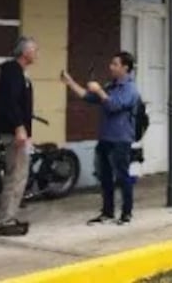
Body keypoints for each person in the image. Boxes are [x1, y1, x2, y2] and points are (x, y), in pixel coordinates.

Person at [60, 52, 140, 226]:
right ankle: (107, 212)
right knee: (105, 177)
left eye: (115, 64)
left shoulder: (130, 88)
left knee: (122, 176)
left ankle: (126, 213)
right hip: (105, 138)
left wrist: (99, 90)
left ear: (125, 67)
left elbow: (113, 106)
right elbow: (88, 97)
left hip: (120, 139)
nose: (111, 67)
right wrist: (70, 82)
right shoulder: (110, 86)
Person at [0, 35, 37, 237]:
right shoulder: (14, 72)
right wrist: (19, 127)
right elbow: (10, 102)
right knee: (16, 176)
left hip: (10, 130)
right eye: (35, 50)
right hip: (14, 133)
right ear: (25, 52)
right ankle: (4, 222)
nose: (37, 54)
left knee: (15, 175)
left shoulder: (12, 72)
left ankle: (9, 218)